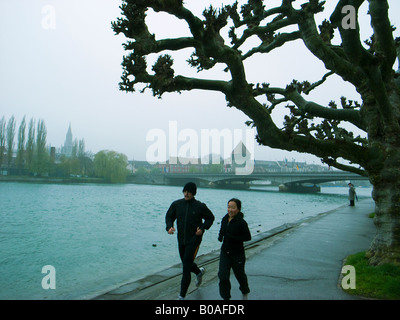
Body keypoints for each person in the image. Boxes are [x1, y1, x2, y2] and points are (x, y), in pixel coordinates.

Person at [165, 182, 215, 300]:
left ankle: (181, 296)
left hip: (194, 240)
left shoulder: (200, 206)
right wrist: (169, 227)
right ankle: (198, 272)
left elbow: (210, 218)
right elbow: (169, 216)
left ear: (193, 193)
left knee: (186, 267)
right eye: (185, 191)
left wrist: (202, 228)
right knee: (186, 263)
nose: (186, 194)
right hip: (181, 239)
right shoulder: (177, 204)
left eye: (189, 192)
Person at [218, 198, 251, 300]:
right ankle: (226, 298)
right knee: (223, 276)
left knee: (240, 275)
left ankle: (245, 292)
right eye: (228, 207)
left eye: (233, 207)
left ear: (238, 209)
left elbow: (248, 237)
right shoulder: (224, 219)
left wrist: (234, 238)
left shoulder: (241, 222)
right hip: (225, 252)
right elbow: (222, 230)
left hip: (237, 253)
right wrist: (220, 236)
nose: (230, 210)